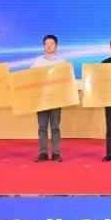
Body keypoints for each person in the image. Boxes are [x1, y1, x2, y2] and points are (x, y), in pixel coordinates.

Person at [32, 34, 66, 163]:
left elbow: (66, 81)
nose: (49, 46)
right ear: (44, 46)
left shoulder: (62, 62)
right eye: (46, 44)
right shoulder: (37, 62)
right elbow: (30, 78)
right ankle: (43, 153)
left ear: (56, 46)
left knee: (55, 128)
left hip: (56, 100)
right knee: (42, 127)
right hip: (41, 100)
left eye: (51, 44)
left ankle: (56, 153)